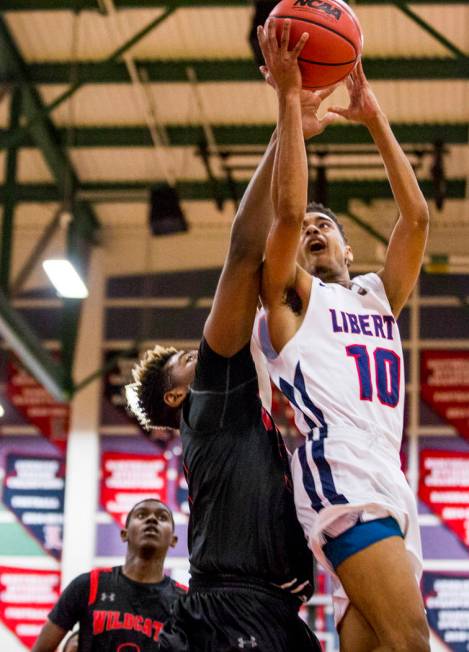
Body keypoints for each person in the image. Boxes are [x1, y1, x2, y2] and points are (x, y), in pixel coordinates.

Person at [125, 24, 337, 651]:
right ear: (176, 397)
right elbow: (245, 252)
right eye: (190, 358)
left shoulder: (253, 415)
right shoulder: (214, 399)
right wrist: (285, 128)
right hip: (231, 614)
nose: (206, 350)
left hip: (263, 613)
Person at [254, 17, 430, 652]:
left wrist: (374, 116)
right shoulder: (292, 301)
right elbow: (289, 210)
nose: (313, 230)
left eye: (327, 225)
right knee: (413, 642)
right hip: (341, 474)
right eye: (307, 231)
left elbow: (416, 217)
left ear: (350, 247)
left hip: (388, 477)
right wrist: (290, 106)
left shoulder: (377, 296)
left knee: (378, 646)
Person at [32, 498, 185, 652]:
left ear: (173, 540)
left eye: (162, 517)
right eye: (141, 515)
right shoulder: (89, 585)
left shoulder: (184, 602)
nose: (151, 519)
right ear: (124, 534)